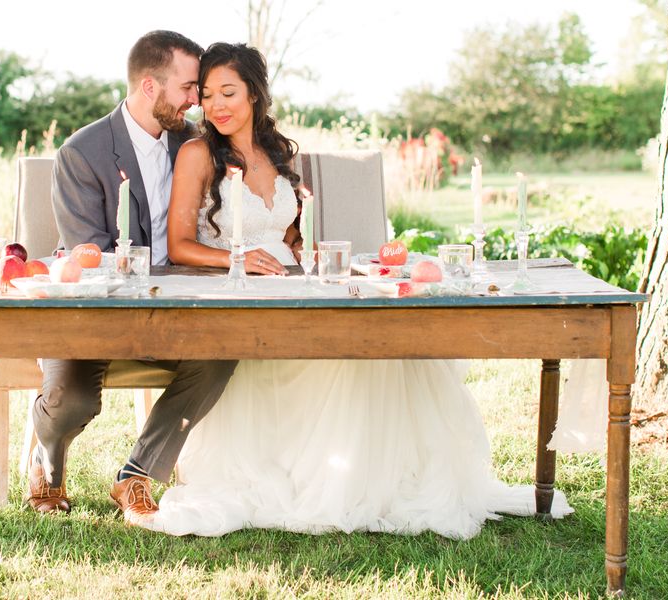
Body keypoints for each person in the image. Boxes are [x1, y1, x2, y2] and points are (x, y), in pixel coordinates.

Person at [150, 42, 573, 538]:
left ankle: (385, 479)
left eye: (229, 92)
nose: (217, 105)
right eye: (207, 94)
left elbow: (290, 233)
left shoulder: (280, 151)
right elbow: (179, 245)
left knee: (383, 346)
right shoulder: (198, 154)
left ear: (255, 94)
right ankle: (333, 482)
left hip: (300, 284)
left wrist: (309, 252)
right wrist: (237, 258)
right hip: (243, 294)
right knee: (342, 359)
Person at [28, 31, 237, 522]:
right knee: (72, 401)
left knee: (223, 354)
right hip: (91, 312)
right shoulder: (83, 152)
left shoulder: (194, 144)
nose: (196, 100)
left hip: (177, 307)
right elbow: (92, 254)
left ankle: (136, 475)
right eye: (189, 88)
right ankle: (45, 460)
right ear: (149, 86)